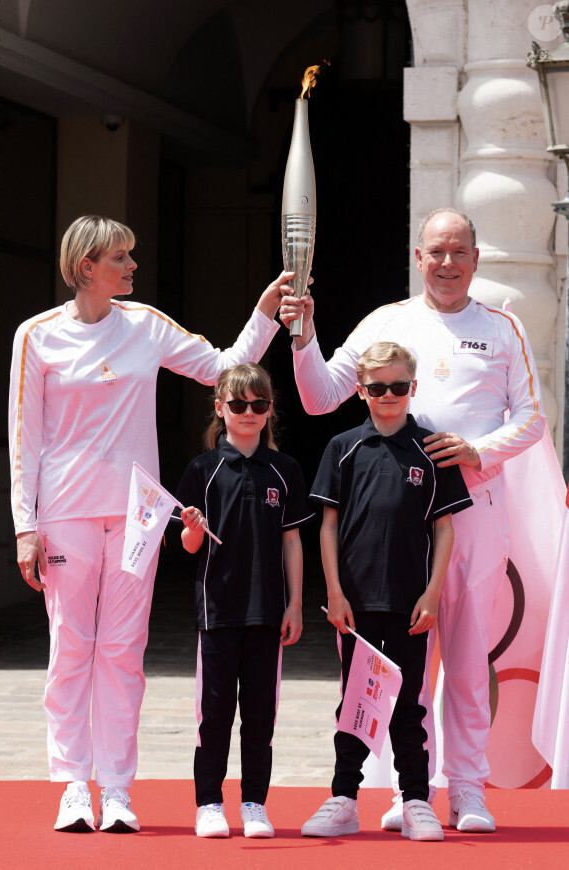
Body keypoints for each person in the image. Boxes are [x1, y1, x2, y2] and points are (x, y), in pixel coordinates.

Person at [9, 215, 293, 834]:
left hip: (139, 515)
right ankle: (71, 787)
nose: (133, 267)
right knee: (70, 648)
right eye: (121, 258)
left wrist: (265, 314)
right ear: (87, 267)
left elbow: (222, 365)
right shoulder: (37, 337)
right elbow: (24, 436)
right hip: (66, 512)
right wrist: (25, 525)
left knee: (122, 651)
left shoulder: (146, 326)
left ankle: (115, 788)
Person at [280, 208, 545, 833]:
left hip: (471, 513)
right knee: (403, 663)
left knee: (466, 655)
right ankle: (406, 791)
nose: (447, 263)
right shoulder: (387, 322)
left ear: (475, 259)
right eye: (435, 252)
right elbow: (320, 396)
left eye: (458, 252)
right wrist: (303, 336)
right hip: (396, 526)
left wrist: (480, 451)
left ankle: (470, 791)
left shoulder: (503, 328)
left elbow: (532, 418)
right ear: (418, 258)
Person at [301, 342, 472, 841]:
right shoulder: (343, 447)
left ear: (413, 388)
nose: (389, 395)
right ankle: (343, 798)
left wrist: (433, 593)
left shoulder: (432, 449)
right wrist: (334, 590)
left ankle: (416, 799)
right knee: (355, 701)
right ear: (361, 391)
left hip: (409, 602)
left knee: (408, 704)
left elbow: (444, 529)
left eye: (399, 387)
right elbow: (327, 526)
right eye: (378, 388)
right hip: (355, 602)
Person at [176, 363, 314, 838]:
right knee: (213, 713)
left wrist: (295, 604)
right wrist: (192, 530)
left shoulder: (286, 469)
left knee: (261, 714)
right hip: (216, 612)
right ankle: (209, 803)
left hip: (267, 613)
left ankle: (254, 803)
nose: (249, 412)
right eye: (238, 405)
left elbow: (293, 541)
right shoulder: (203, 470)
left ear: (270, 409)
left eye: (259, 404)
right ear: (221, 409)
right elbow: (188, 546)